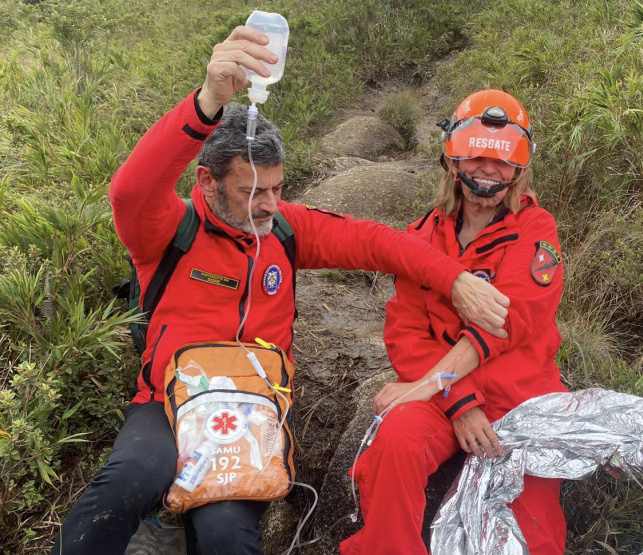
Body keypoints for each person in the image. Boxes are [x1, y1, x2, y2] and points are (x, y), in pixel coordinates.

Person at [51, 26, 512, 555]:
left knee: (227, 535)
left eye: (277, 188)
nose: (270, 204)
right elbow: (130, 188)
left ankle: (174, 526)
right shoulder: (168, 231)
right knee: (126, 482)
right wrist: (206, 102)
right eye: (252, 193)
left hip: (252, 412)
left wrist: (453, 278)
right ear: (207, 183)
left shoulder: (286, 229)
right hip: (168, 403)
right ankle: (159, 517)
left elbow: (379, 243)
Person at [340, 90, 567, 554]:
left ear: (519, 169)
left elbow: (508, 323)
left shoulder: (536, 230)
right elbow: (405, 333)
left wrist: (434, 387)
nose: (488, 170)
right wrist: (458, 399)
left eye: (502, 161)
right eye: (477, 156)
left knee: (534, 531)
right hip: (445, 397)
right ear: (453, 159)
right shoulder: (421, 237)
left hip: (518, 402)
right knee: (396, 442)